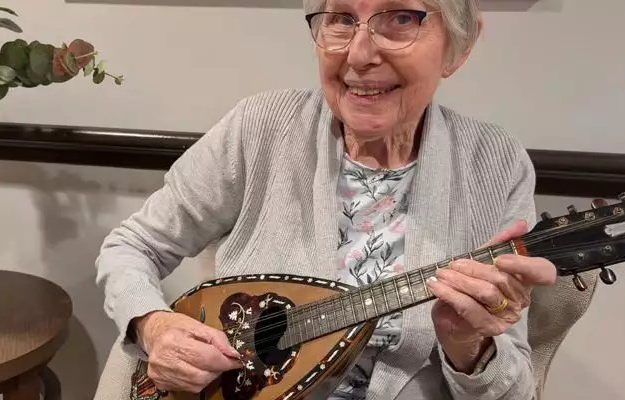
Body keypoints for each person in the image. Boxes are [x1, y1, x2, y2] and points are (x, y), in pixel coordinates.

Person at [95, 0, 558, 398]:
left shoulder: (495, 164)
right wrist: (153, 325)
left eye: (400, 18)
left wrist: (468, 347)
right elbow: (133, 246)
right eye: (339, 18)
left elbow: (511, 392)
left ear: (458, 45)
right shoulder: (262, 127)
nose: (359, 55)